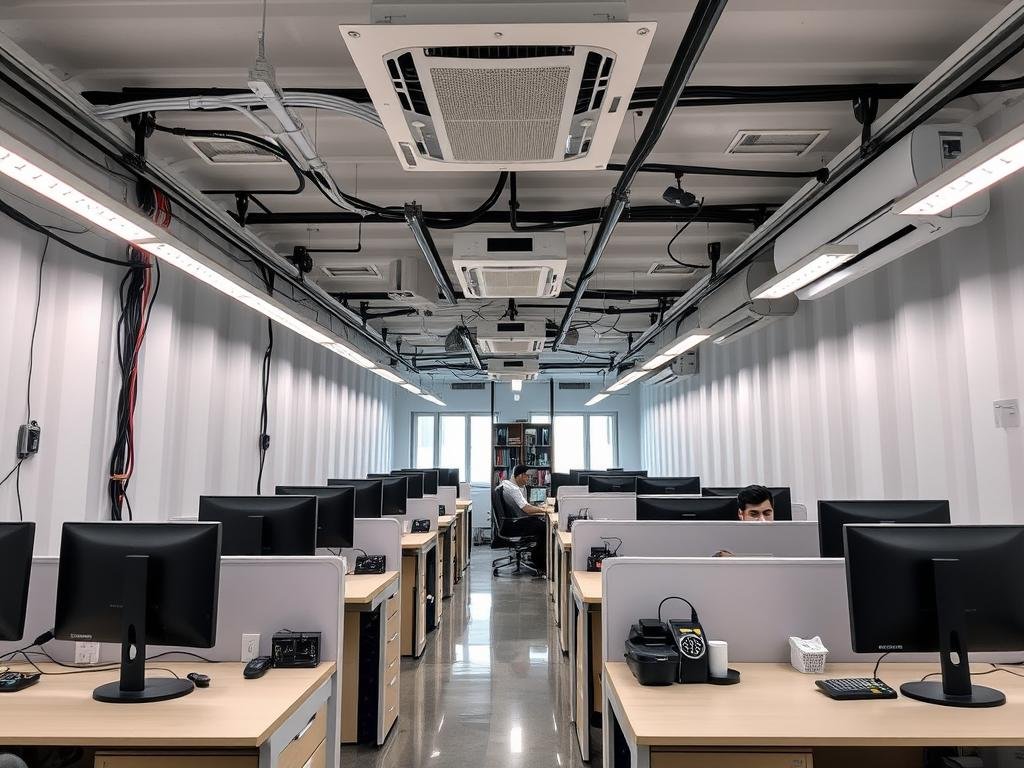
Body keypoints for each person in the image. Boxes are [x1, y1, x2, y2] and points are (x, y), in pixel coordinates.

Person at [498, 464, 548, 573]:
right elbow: (527, 509)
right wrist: (544, 510)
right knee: (545, 528)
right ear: (520, 476)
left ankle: (536, 557)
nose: (527, 479)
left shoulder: (505, 484)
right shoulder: (514, 489)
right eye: (526, 476)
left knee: (540, 523)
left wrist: (539, 510)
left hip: (509, 523)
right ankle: (540, 563)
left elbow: (525, 506)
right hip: (514, 526)